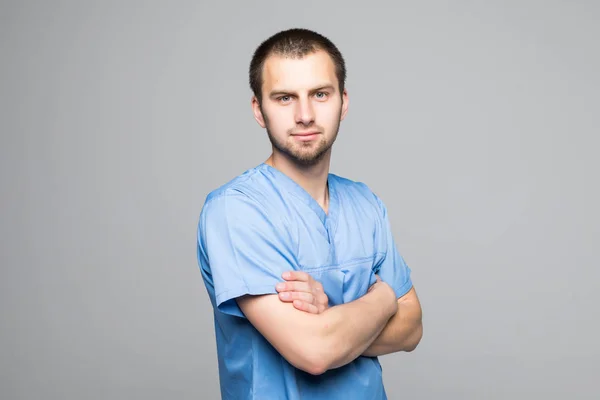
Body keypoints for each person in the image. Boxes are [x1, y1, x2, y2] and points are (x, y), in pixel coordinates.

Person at [196, 28, 423, 400]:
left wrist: (331, 316)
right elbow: (315, 352)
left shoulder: (365, 203)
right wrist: (384, 299)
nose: (304, 115)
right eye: (285, 98)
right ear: (259, 109)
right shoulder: (236, 210)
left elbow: (412, 329)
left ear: (343, 102)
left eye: (320, 94)